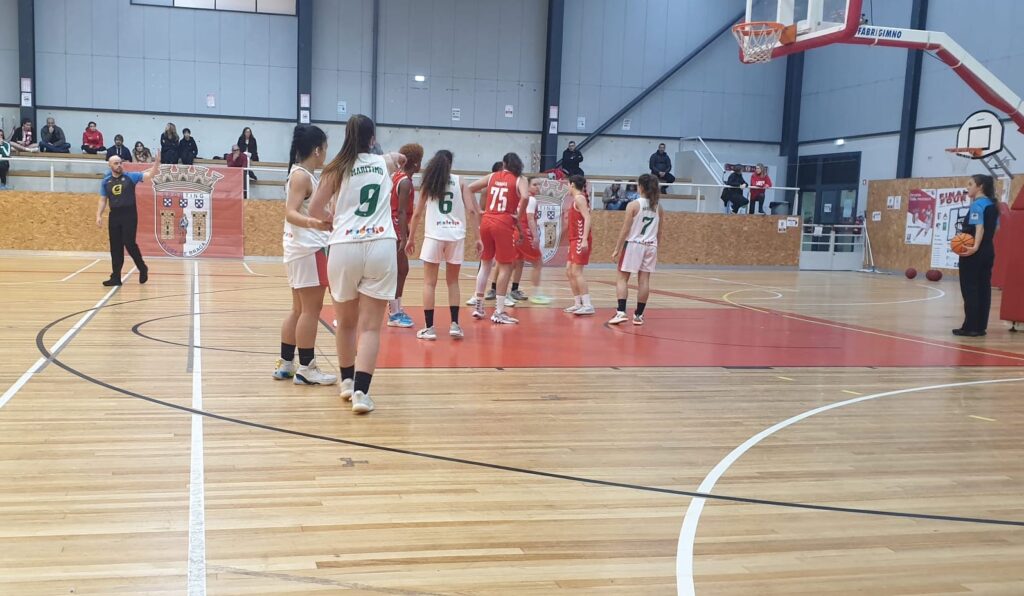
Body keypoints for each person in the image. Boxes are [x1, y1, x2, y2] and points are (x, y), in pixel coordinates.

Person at [307, 114, 406, 414]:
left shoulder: (335, 168)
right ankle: (362, 394)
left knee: (346, 324)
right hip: (380, 245)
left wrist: (332, 221)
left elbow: (313, 208)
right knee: (372, 328)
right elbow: (400, 157)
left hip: (344, 246)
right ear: (372, 139)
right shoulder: (383, 163)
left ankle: (347, 382)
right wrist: (395, 155)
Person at [272, 124, 337, 385]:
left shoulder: (302, 174)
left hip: (300, 249)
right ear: (317, 150)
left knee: (299, 309)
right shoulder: (302, 176)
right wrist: (315, 223)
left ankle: (287, 364)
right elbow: (290, 212)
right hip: (309, 248)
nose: (326, 155)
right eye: (325, 149)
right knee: (311, 310)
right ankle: (307, 367)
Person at [405, 149, 479, 340]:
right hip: (455, 236)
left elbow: (417, 213)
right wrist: (478, 238)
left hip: (434, 236)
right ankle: (455, 325)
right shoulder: (460, 180)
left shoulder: (429, 182)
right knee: (453, 282)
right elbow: (472, 211)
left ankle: (429, 328)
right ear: (450, 164)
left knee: (429, 283)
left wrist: (411, 238)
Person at [467, 152, 529, 324]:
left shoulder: (492, 176)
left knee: (485, 265)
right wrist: (519, 215)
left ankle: (478, 306)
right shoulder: (519, 179)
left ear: (504, 164)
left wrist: (478, 210)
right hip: (503, 222)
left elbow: (470, 188)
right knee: (506, 267)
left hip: (486, 221)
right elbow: (525, 196)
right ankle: (499, 311)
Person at [96, 153, 159, 286]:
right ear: (110, 165)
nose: (119, 165)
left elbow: (149, 175)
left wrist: (156, 164)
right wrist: (99, 215)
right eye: (116, 163)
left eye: (120, 163)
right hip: (114, 215)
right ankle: (116, 277)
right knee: (115, 247)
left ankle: (142, 268)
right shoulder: (106, 181)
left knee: (129, 243)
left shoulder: (131, 177)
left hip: (129, 214)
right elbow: (103, 199)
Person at [609, 174, 664, 326]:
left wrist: (617, 249)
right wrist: (655, 247)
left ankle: (621, 312)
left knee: (621, 278)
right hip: (651, 246)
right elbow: (659, 232)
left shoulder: (634, 205)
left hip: (634, 244)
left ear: (641, 187)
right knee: (644, 281)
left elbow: (625, 230)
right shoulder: (658, 207)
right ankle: (639, 315)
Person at [954, 174, 1000, 337]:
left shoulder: (977, 205)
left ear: (980, 187)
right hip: (988, 250)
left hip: (974, 252)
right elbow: (995, 230)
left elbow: (979, 227)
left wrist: (974, 247)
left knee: (970, 289)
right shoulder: (993, 206)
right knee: (983, 288)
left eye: (970, 184)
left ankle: (970, 327)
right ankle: (980, 326)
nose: (967, 187)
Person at [386, 143, 423, 329]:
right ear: (416, 163)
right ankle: (394, 313)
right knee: (399, 270)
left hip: (394, 226)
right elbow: (401, 212)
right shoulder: (406, 182)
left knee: (402, 270)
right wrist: (403, 237)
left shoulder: (396, 176)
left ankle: (396, 307)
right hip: (394, 226)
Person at [514, 177, 552, 304]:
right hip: (525, 232)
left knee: (518, 262)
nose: (537, 187)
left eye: (539, 185)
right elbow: (530, 218)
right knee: (537, 262)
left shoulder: (521, 198)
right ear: (528, 186)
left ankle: (513, 290)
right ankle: (536, 294)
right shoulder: (531, 199)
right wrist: (535, 237)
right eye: (535, 184)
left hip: (516, 232)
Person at [563, 175, 594, 316]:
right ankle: (577, 303)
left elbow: (587, 218)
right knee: (569, 271)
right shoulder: (578, 199)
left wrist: (584, 239)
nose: (567, 187)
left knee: (577, 272)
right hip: (574, 239)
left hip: (580, 238)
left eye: (568, 184)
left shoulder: (579, 198)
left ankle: (587, 305)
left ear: (572, 184)